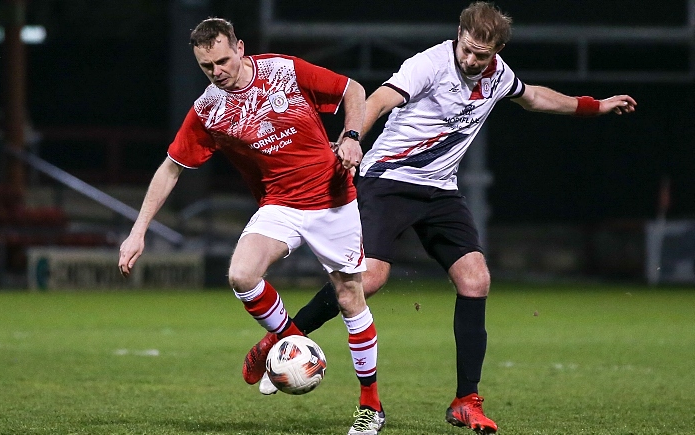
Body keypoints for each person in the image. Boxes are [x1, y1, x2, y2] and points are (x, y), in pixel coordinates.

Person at [242, 2, 637, 434]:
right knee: (368, 279)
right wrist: (353, 136)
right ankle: (279, 338)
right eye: (467, 50)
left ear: (497, 50)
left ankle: (466, 400)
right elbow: (378, 99)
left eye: (481, 55)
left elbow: (535, 97)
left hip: (440, 192)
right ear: (459, 35)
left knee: (475, 279)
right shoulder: (428, 64)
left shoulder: (499, 74)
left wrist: (595, 105)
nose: (471, 60)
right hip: (387, 180)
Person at [117, 18, 386, 435]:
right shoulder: (209, 109)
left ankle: (371, 406)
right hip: (280, 204)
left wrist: (351, 135)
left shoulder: (283, 70)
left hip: (332, 199)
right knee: (241, 274)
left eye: (222, 60)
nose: (217, 71)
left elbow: (353, 89)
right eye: (207, 66)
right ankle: (287, 341)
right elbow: (170, 169)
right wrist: (138, 231)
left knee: (350, 296)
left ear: (240, 48)